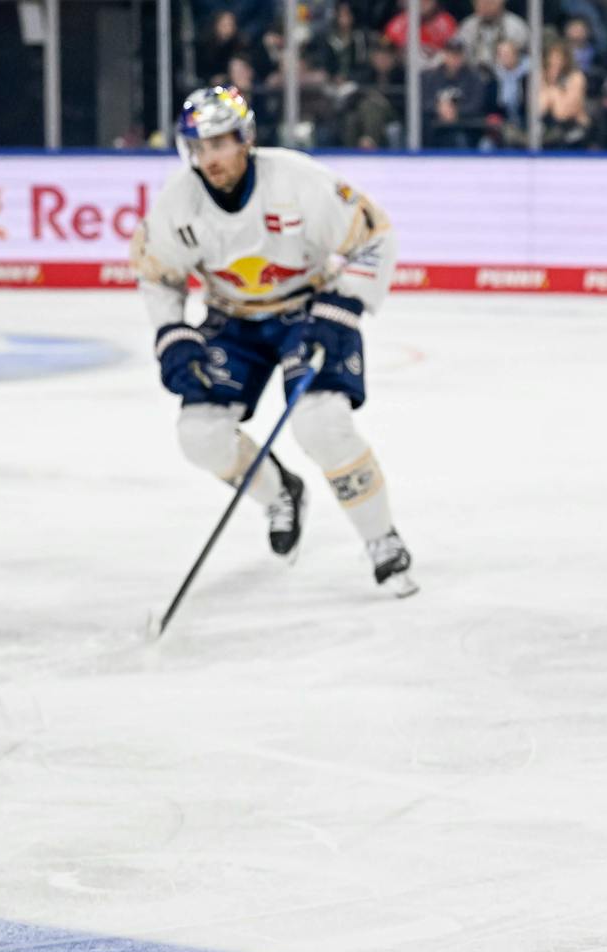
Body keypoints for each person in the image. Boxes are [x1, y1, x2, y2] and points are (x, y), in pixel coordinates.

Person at [131, 87, 415, 596]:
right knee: (199, 436)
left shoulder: (297, 180)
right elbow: (156, 273)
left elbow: (374, 235)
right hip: (233, 319)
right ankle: (279, 493)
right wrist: (173, 336)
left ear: (245, 139)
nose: (211, 158)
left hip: (307, 310)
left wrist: (343, 306)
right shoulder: (178, 204)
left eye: (221, 144)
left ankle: (381, 538)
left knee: (322, 424)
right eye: (200, 147)